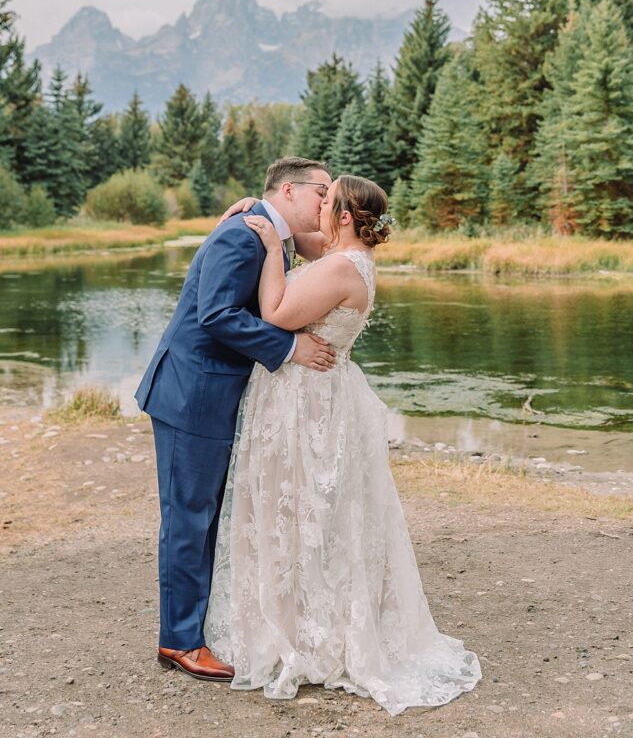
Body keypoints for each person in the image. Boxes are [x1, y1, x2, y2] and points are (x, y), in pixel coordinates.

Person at [204, 175, 481, 714]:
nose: (318, 209)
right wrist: (259, 213)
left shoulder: (338, 266)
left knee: (299, 510)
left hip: (304, 402)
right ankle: (308, 621)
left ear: (347, 217)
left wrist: (267, 250)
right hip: (318, 396)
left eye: (327, 203)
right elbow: (300, 238)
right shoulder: (348, 258)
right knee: (312, 513)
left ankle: (306, 635)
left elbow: (276, 315)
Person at [134, 156, 336, 682]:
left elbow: (338, 245)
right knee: (188, 519)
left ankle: (195, 628)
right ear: (289, 190)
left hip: (214, 396)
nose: (327, 200)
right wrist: (289, 347)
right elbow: (216, 314)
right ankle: (178, 642)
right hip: (192, 395)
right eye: (322, 190)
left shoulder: (269, 232)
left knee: (207, 518)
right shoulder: (241, 236)